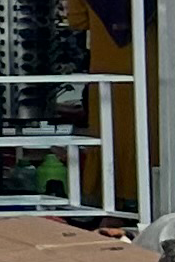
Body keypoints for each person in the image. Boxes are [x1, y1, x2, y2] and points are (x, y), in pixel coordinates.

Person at [68, 0, 158, 212]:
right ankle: (150, 200)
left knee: (109, 132)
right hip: (156, 72)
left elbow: (77, 21)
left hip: (108, 72)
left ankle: (111, 207)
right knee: (152, 132)